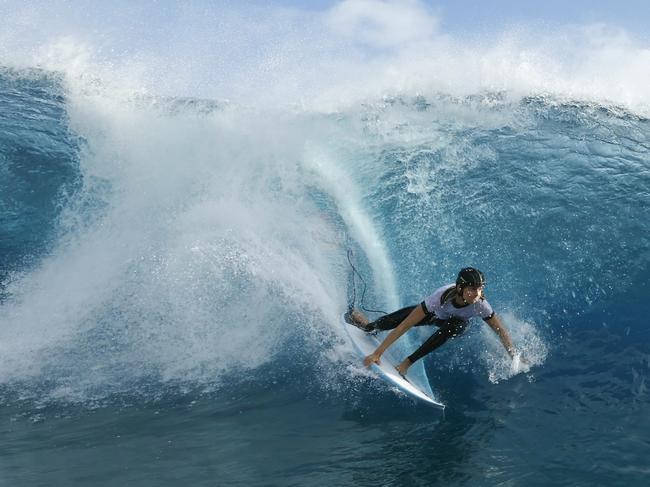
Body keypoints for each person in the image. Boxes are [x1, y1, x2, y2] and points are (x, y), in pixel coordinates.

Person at [345, 267, 519, 377]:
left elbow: (501, 331)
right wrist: (378, 353)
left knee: (453, 326)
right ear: (460, 288)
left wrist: (514, 357)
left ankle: (407, 362)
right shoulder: (439, 297)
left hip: (457, 325)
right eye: (473, 289)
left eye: (480, 289)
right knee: (385, 323)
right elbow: (405, 325)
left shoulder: (481, 306)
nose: (478, 293)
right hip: (436, 316)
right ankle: (367, 324)